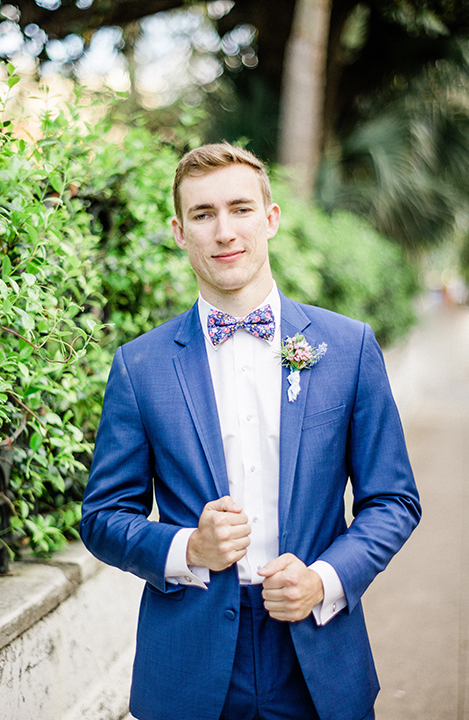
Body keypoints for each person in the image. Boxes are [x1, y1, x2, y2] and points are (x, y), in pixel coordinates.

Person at [80, 143, 421, 720]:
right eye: (203, 214)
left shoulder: (347, 348)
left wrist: (324, 579)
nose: (224, 231)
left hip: (316, 652)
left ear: (271, 218)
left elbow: (394, 500)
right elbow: (102, 517)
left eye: (240, 208)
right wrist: (188, 546)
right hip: (189, 664)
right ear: (180, 232)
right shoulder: (140, 366)